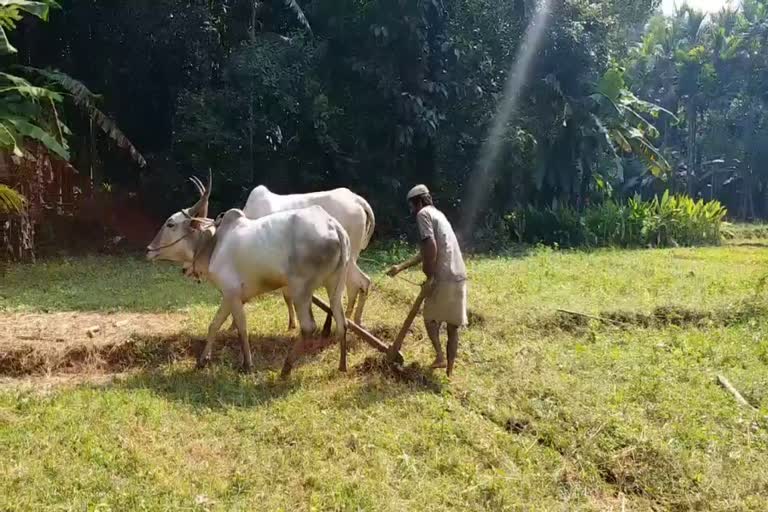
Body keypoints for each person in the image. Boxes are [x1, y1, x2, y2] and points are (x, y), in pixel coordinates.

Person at [387, 184, 467, 377]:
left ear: (420, 201)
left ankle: (440, 356)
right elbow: (425, 250)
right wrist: (400, 267)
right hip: (459, 275)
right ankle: (449, 370)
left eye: (413, 205)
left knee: (430, 320)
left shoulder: (423, 215)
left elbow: (430, 246)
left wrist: (430, 276)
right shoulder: (439, 215)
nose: (412, 210)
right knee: (452, 327)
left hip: (443, 276)